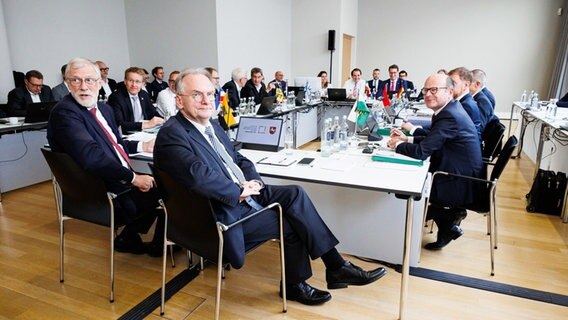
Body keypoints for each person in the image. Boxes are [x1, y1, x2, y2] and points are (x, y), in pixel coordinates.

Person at [153, 68, 386, 305]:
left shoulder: (210, 124)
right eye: (197, 95)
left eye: (210, 94)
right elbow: (197, 175)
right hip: (221, 215)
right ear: (179, 100)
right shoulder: (173, 134)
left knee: (295, 193)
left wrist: (254, 181)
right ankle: (307, 280)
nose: (206, 100)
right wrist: (238, 191)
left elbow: (237, 156)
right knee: (292, 222)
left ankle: (335, 266)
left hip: (240, 194)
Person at [46, 57, 164, 257]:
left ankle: (130, 237)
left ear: (100, 82)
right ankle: (158, 245)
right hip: (99, 191)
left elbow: (114, 143)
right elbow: (91, 157)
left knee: (158, 184)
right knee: (165, 190)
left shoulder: (103, 109)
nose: (84, 87)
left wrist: (142, 145)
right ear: (67, 83)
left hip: (112, 178)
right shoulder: (65, 113)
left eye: (90, 80)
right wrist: (134, 178)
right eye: (76, 80)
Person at [387, 74, 482, 250]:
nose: (428, 94)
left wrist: (397, 145)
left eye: (434, 90)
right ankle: (449, 224)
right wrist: (407, 140)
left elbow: (422, 152)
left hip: (457, 179)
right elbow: (433, 139)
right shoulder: (449, 109)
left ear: (450, 91)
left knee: (406, 191)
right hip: (459, 170)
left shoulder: (449, 115)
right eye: (425, 90)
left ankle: (448, 219)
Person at [107, 67, 164, 134]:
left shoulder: (144, 94)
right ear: (125, 81)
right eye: (130, 80)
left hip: (146, 132)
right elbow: (119, 125)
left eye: (137, 81)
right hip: (127, 135)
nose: (134, 85)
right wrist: (146, 124)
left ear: (142, 83)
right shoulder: (116, 97)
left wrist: (164, 120)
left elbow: (153, 113)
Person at [448, 67, 482, 141]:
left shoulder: (466, 106)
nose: (449, 87)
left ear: (466, 85)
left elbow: (449, 132)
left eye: (453, 83)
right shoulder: (463, 102)